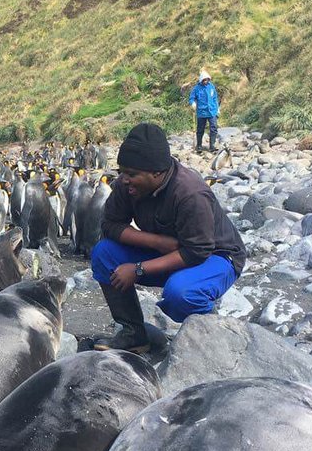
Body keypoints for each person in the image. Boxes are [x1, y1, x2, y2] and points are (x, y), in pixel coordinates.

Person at [91, 122, 246, 353]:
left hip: (216, 256)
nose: (124, 179)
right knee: (104, 253)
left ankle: (214, 338)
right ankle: (134, 333)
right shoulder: (129, 186)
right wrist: (157, 242)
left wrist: (138, 269)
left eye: (132, 174)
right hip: (170, 250)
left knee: (180, 293)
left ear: (157, 172)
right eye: (122, 171)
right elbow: (110, 224)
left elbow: (197, 251)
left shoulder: (190, 192)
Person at [189, 69, 220, 152]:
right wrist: (192, 103)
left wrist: (218, 109)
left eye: (207, 79)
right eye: (204, 80)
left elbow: (215, 98)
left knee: (213, 128)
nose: (206, 81)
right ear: (201, 80)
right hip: (201, 112)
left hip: (212, 111)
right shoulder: (196, 88)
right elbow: (191, 98)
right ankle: (199, 146)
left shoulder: (211, 87)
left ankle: (212, 146)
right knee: (200, 129)